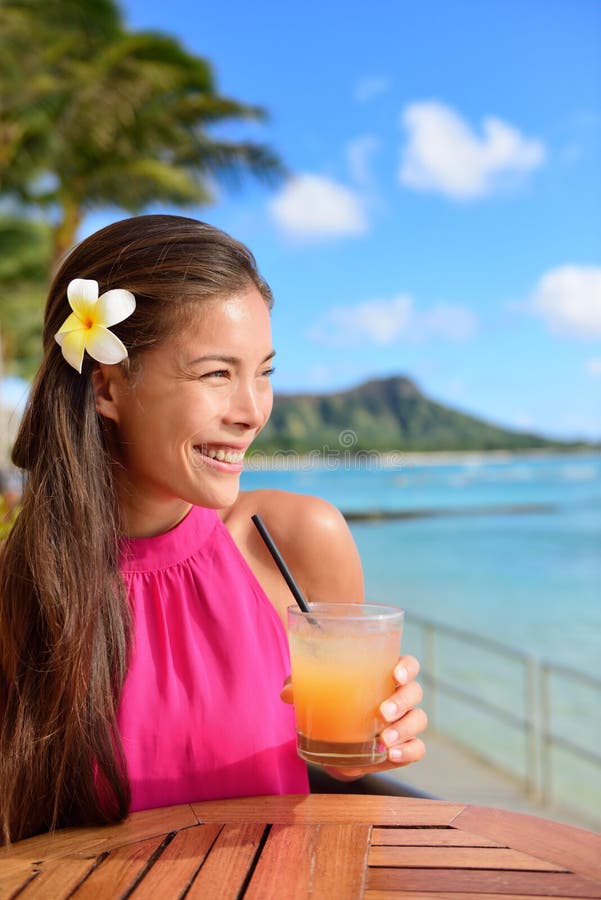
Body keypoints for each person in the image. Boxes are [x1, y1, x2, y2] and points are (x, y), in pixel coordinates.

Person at [0, 215, 426, 843]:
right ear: (108, 388)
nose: (253, 411)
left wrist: (365, 747)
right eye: (216, 374)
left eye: (266, 371)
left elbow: (338, 775)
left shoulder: (299, 541)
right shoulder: (22, 590)